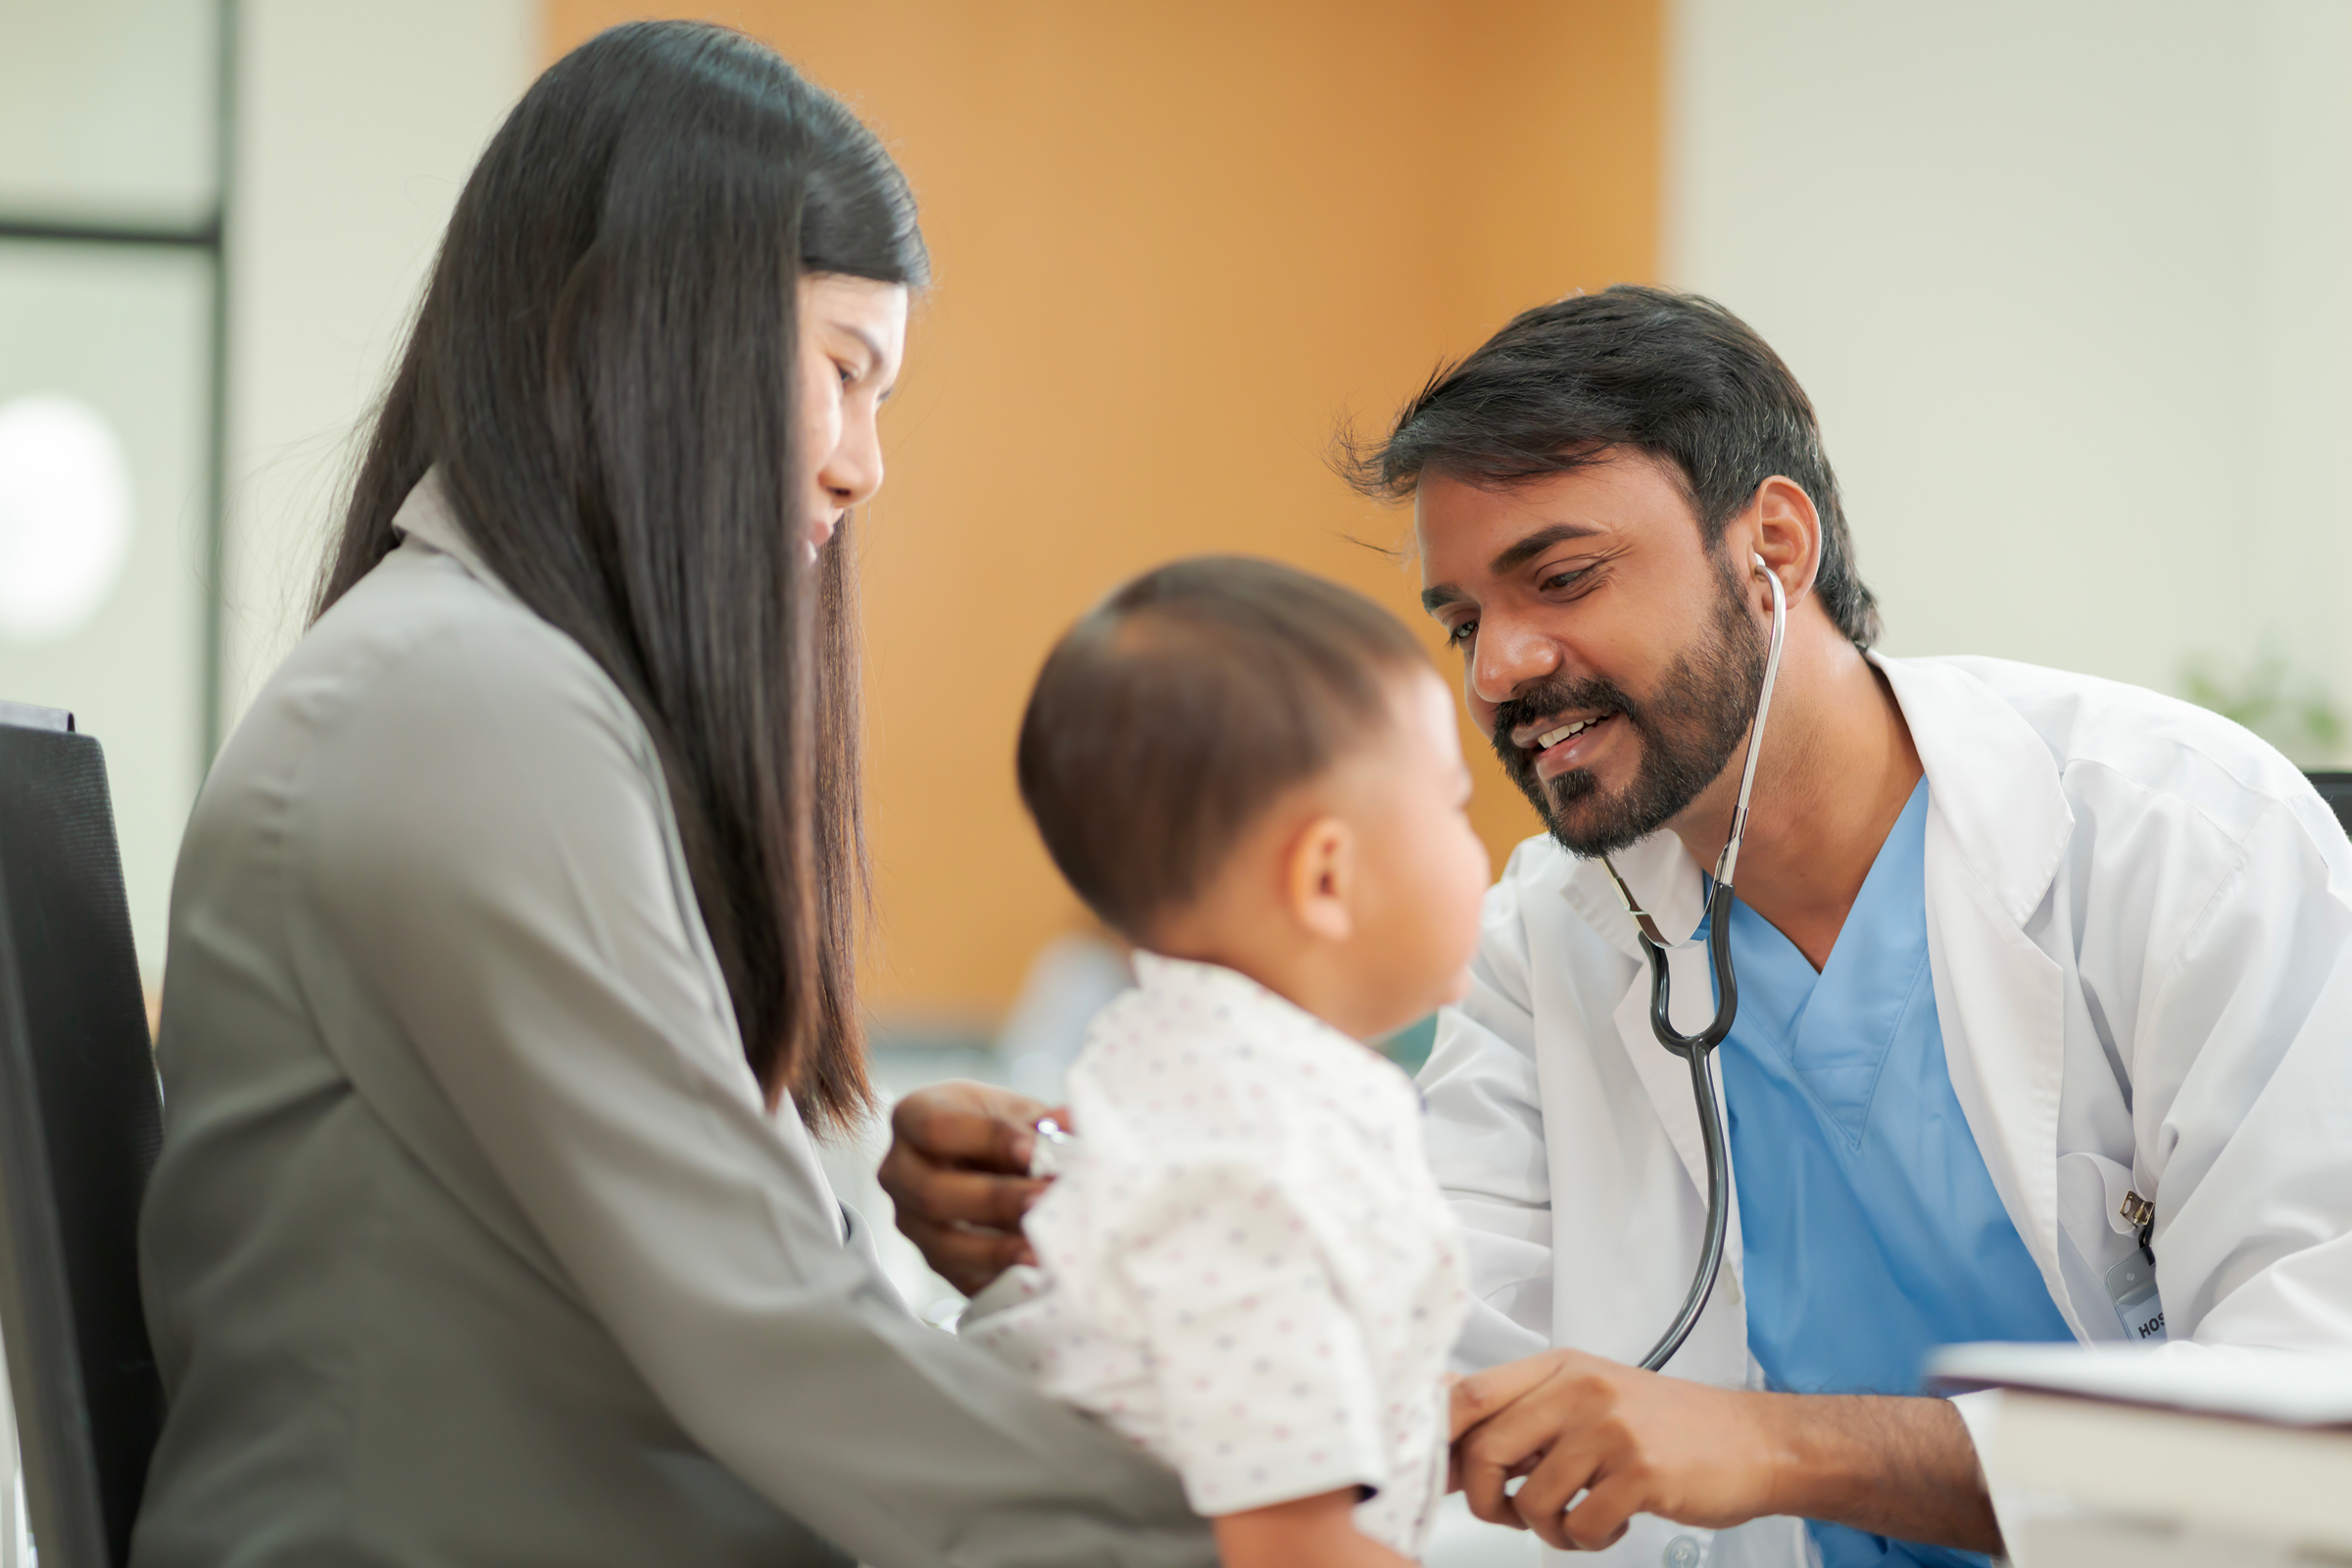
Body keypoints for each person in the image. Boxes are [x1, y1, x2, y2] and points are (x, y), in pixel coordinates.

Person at [883, 285, 2352, 1566]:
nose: (1505, 669)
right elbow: (1416, 1348)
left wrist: (1780, 1448)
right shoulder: (1552, 936)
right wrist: (1101, 1237)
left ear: (1772, 544)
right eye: (1464, 621)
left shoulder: (2180, 840)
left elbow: (2313, 1430)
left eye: (1563, 579)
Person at [134, 23, 1214, 1568]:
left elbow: (778, 1309)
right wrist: (1261, 1526)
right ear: (642, 332)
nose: (865, 469)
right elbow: (778, 1344)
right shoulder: (470, 706)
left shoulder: (507, 691)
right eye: (845, 372)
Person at [962, 558, 1491, 1568]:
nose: (1479, 855)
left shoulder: (1164, 1068)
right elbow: (1289, 1546)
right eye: (1455, 808)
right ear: (1327, 875)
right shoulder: (1252, 1161)